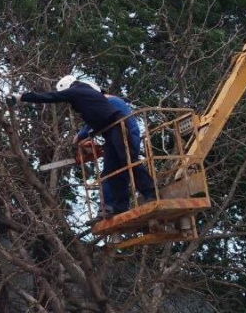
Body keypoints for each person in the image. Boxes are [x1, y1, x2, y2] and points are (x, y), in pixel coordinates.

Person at [9, 76, 156, 221]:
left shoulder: (76, 90)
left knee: (128, 160)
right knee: (109, 171)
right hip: (109, 131)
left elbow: (50, 97)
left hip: (118, 127)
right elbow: (98, 118)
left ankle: (150, 193)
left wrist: (21, 97)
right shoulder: (89, 95)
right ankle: (117, 207)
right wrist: (86, 135)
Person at [74, 93, 142, 216]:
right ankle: (119, 207)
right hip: (125, 138)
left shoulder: (104, 102)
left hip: (127, 138)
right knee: (120, 174)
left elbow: (93, 123)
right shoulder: (111, 100)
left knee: (109, 175)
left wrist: (80, 136)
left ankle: (110, 207)